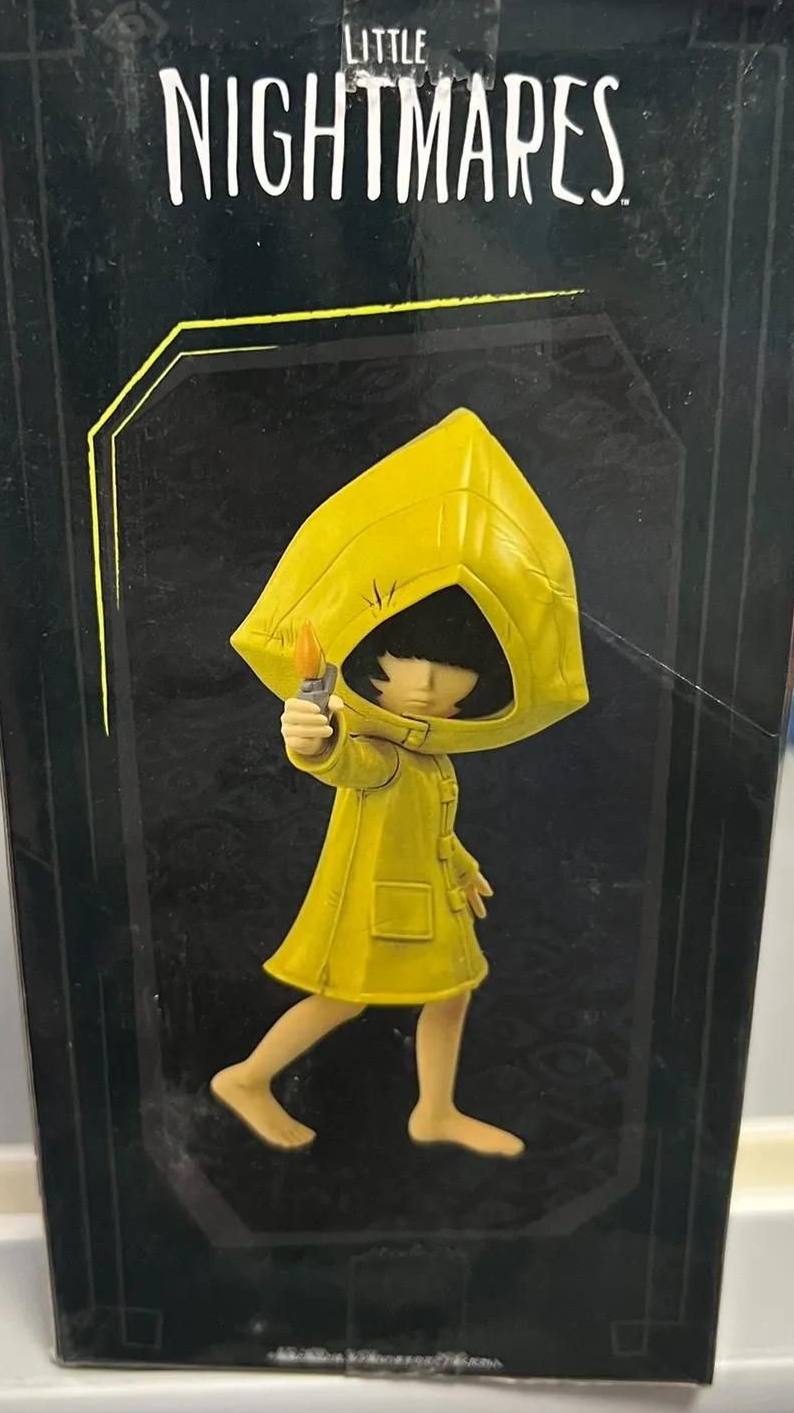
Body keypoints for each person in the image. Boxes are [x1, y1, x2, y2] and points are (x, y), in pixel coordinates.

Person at [213, 409, 587, 1158]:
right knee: (340, 1002)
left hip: (425, 895)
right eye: (410, 670)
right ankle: (247, 1078)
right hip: (377, 905)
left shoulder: (426, 758)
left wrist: (462, 865)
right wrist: (314, 741)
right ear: (373, 665)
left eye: (452, 681)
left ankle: (435, 1110)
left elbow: (432, 827)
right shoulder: (381, 753)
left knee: (450, 996)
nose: (427, 691)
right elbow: (343, 762)